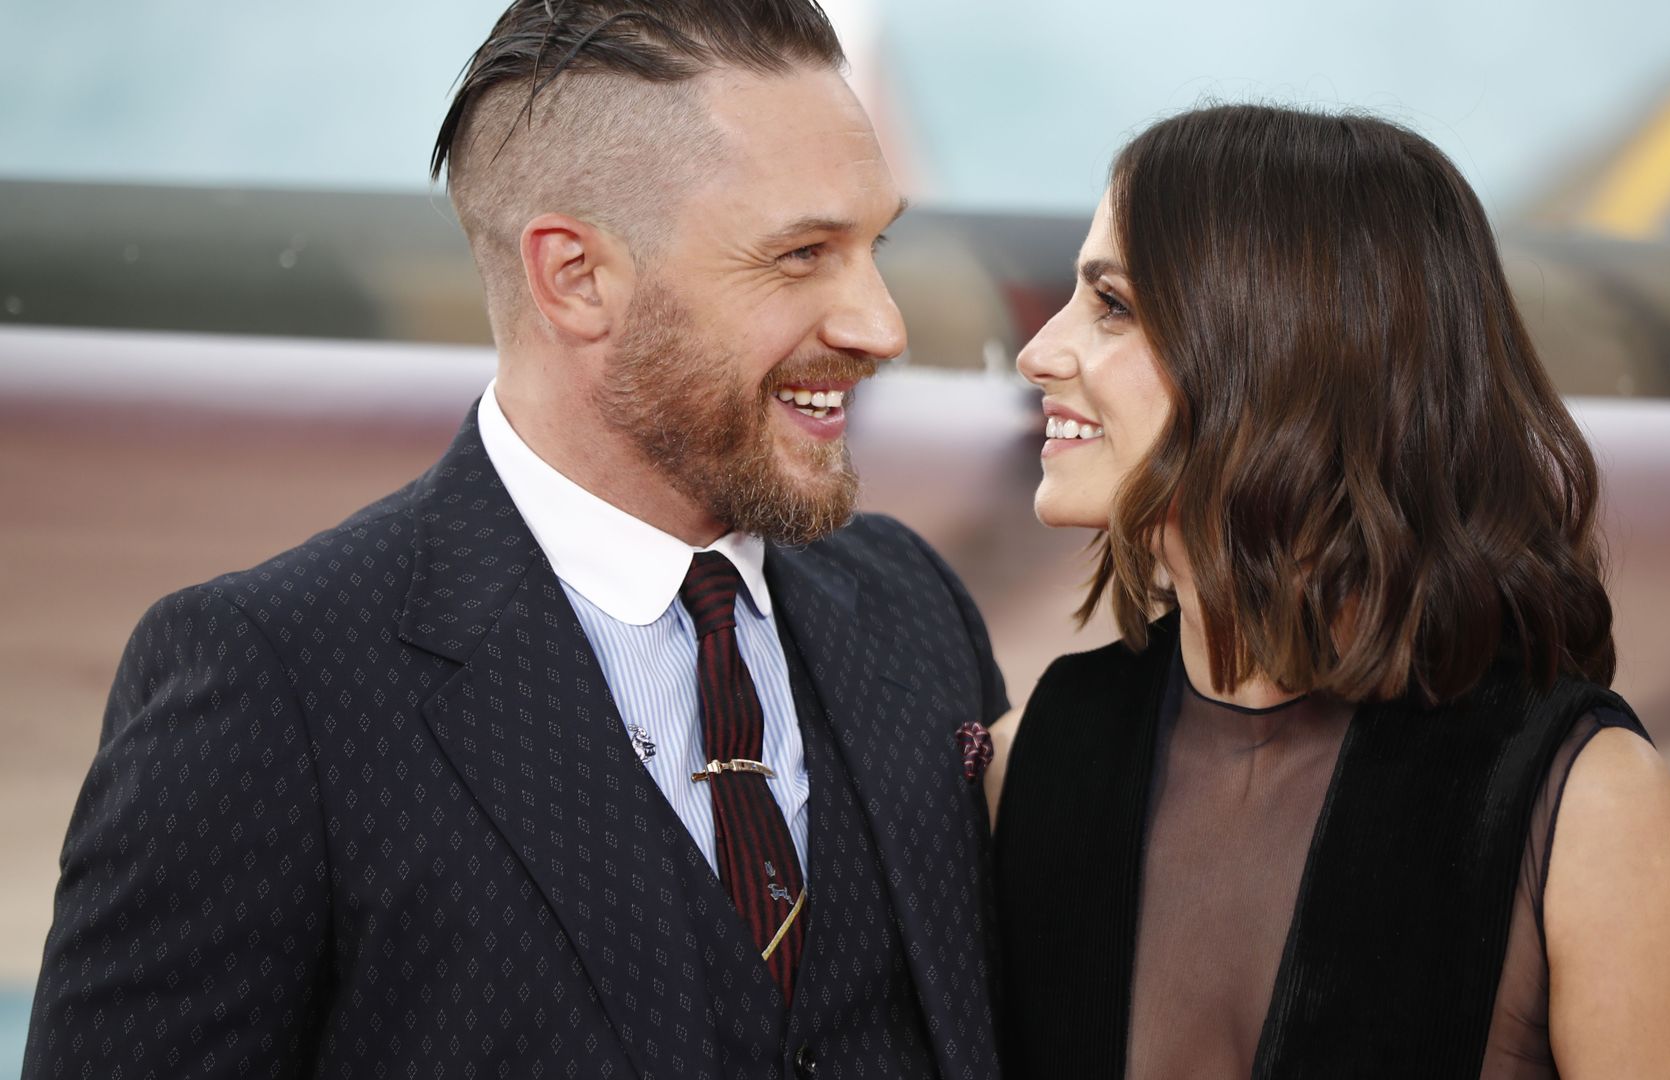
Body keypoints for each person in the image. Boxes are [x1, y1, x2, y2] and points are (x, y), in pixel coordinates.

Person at [24, 3, 1008, 1077]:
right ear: (574, 277)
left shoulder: (914, 607)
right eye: (799, 255)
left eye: (876, 245)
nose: (881, 324)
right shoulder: (272, 681)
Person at [988, 105, 1670, 1080]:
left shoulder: (1585, 803)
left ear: (1285, 346)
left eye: (1113, 306)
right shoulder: (1029, 760)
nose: (1038, 351)